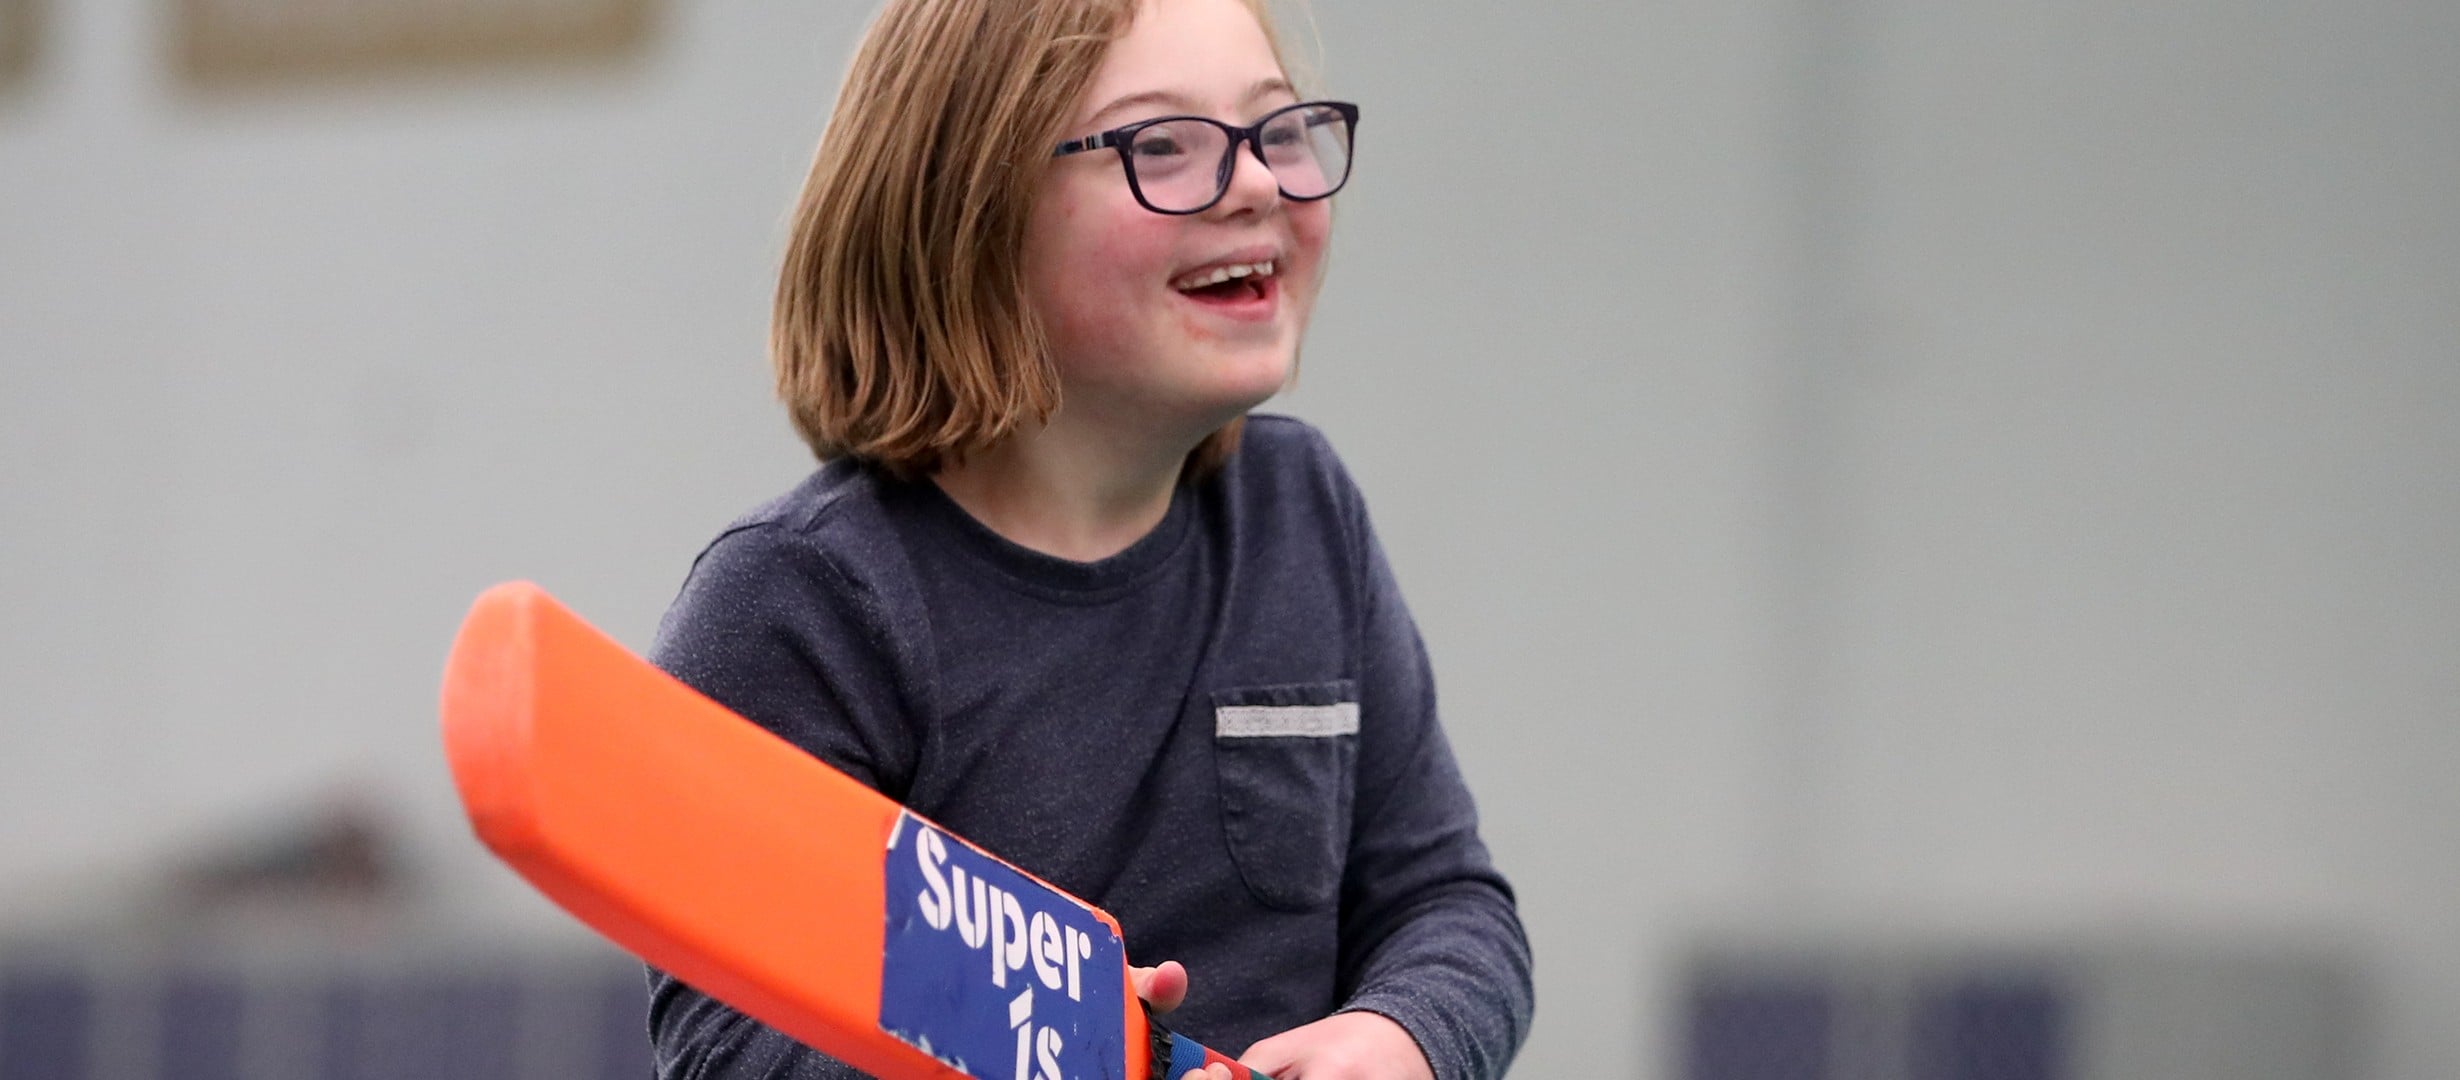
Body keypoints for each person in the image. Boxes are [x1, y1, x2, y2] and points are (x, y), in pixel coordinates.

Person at [643, 0, 1532, 1076]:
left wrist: (1401, 1038)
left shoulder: (1304, 512)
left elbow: (1447, 905)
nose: (1255, 183)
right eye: (1162, 146)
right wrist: (1044, 1050)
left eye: (1278, 130)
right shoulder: (801, 604)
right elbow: (733, 1046)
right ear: (966, 209)